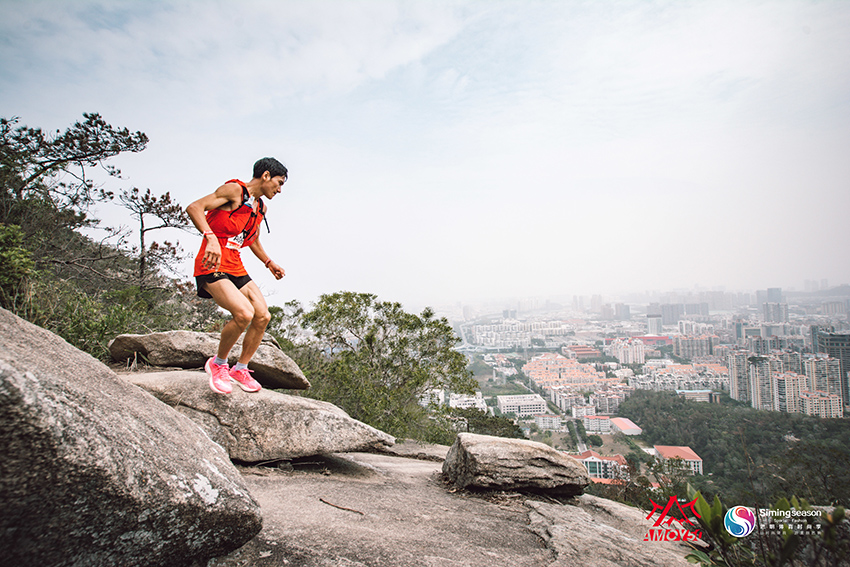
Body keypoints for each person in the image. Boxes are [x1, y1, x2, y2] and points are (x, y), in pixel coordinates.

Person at [186, 157, 287, 394]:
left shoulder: (259, 206)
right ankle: (218, 363)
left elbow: (251, 238)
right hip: (212, 263)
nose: (280, 189)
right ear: (265, 176)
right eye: (279, 182)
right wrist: (209, 237)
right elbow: (194, 207)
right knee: (244, 313)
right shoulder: (234, 191)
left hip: (235, 264)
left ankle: (240, 369)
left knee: (262, 316)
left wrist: (268, 262)